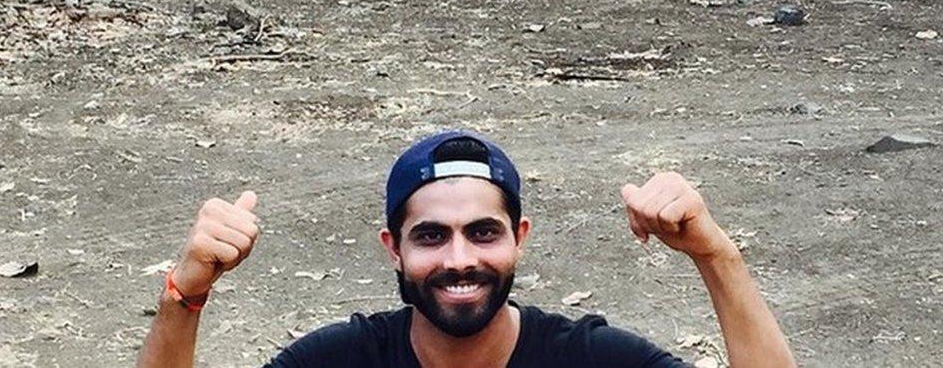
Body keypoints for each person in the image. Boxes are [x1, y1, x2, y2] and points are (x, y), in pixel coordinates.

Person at [137, 130, 796, 367]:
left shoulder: (592, 357)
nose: (459, 258)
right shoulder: (338, 358)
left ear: (519, 239)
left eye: (484, 231)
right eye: (431, 235)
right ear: (392, 248)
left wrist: (717, 257)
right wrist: (186, 291)